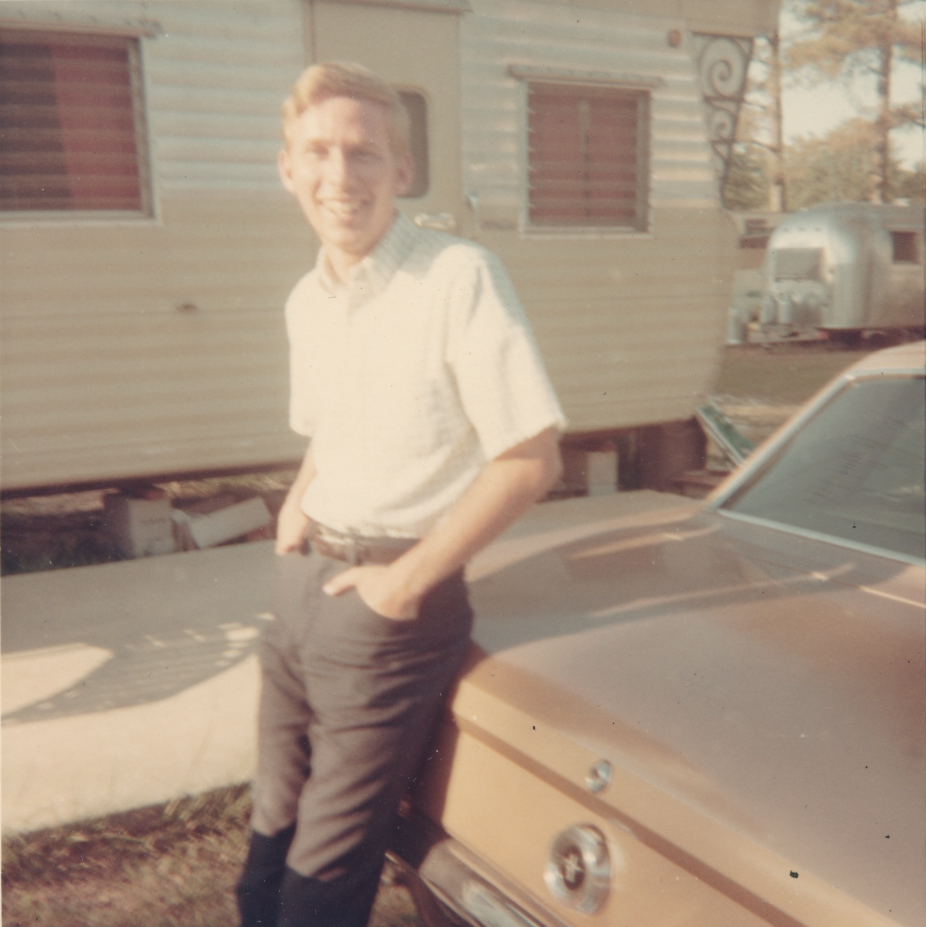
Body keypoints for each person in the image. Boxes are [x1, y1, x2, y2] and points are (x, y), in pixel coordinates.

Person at [236, 61, 566, 927]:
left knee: (320, 884)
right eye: (317, 152)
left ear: (403, 171)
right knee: (265, 852)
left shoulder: (459, 277)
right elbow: (324, 430)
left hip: (386, 615)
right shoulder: (309, 298)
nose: (339, 177)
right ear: (287, 169)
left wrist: (404, 581)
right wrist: (299, 502)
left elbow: (530, 460)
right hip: (301, 591)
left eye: (364, 153)